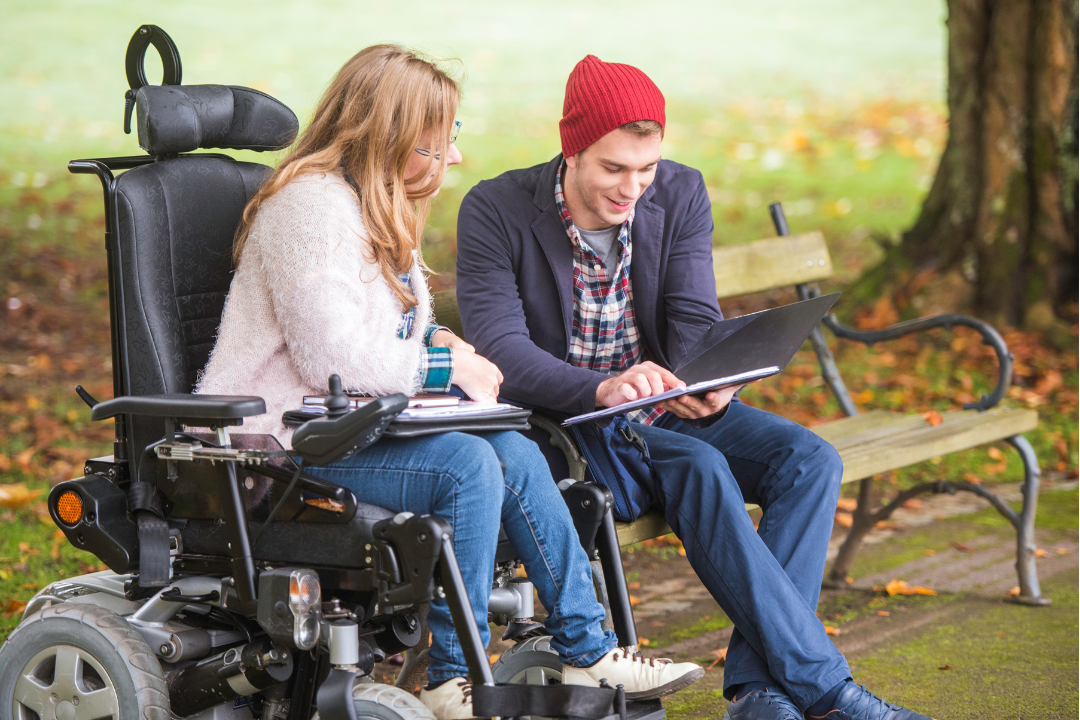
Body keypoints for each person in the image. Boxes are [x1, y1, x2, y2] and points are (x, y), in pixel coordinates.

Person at [196, 46, 703, 719]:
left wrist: (440, 342)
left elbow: (387, 335)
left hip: (349, 426)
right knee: (466, 464)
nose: (453, 160)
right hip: (280, 439)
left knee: (516, 450)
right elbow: (332, 359)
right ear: (389, 137)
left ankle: (590, 649)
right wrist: (443, 366)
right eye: (437, 144)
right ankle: (448, 678)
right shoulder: (310, 207)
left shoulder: (376, 206)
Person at [455, 55, 935, 720]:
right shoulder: (497, 209)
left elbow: (690, 319)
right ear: (572, 149)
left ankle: (761, 693)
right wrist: (602, 389)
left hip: (660, 407)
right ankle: (827, 692)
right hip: (566, 425)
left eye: (645, 170)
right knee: (701, 465)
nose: (632, 188)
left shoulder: (678, 193)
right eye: (613, 169)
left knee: (809, 460)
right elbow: (501, 351)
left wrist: (713, 382)